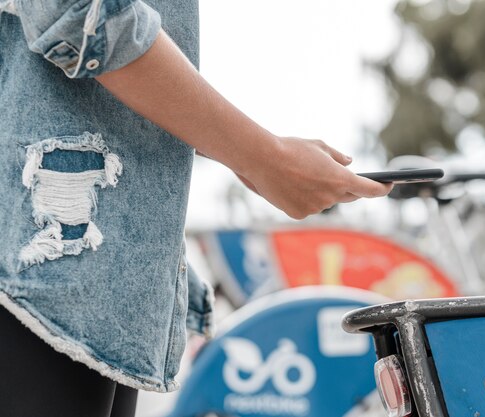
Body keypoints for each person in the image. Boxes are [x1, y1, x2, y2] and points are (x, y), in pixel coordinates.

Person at [0, 1, 392, 416]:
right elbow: (80, 11)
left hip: (103, 263)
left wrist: (257, 157)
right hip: (37, 263)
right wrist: (262, 157)